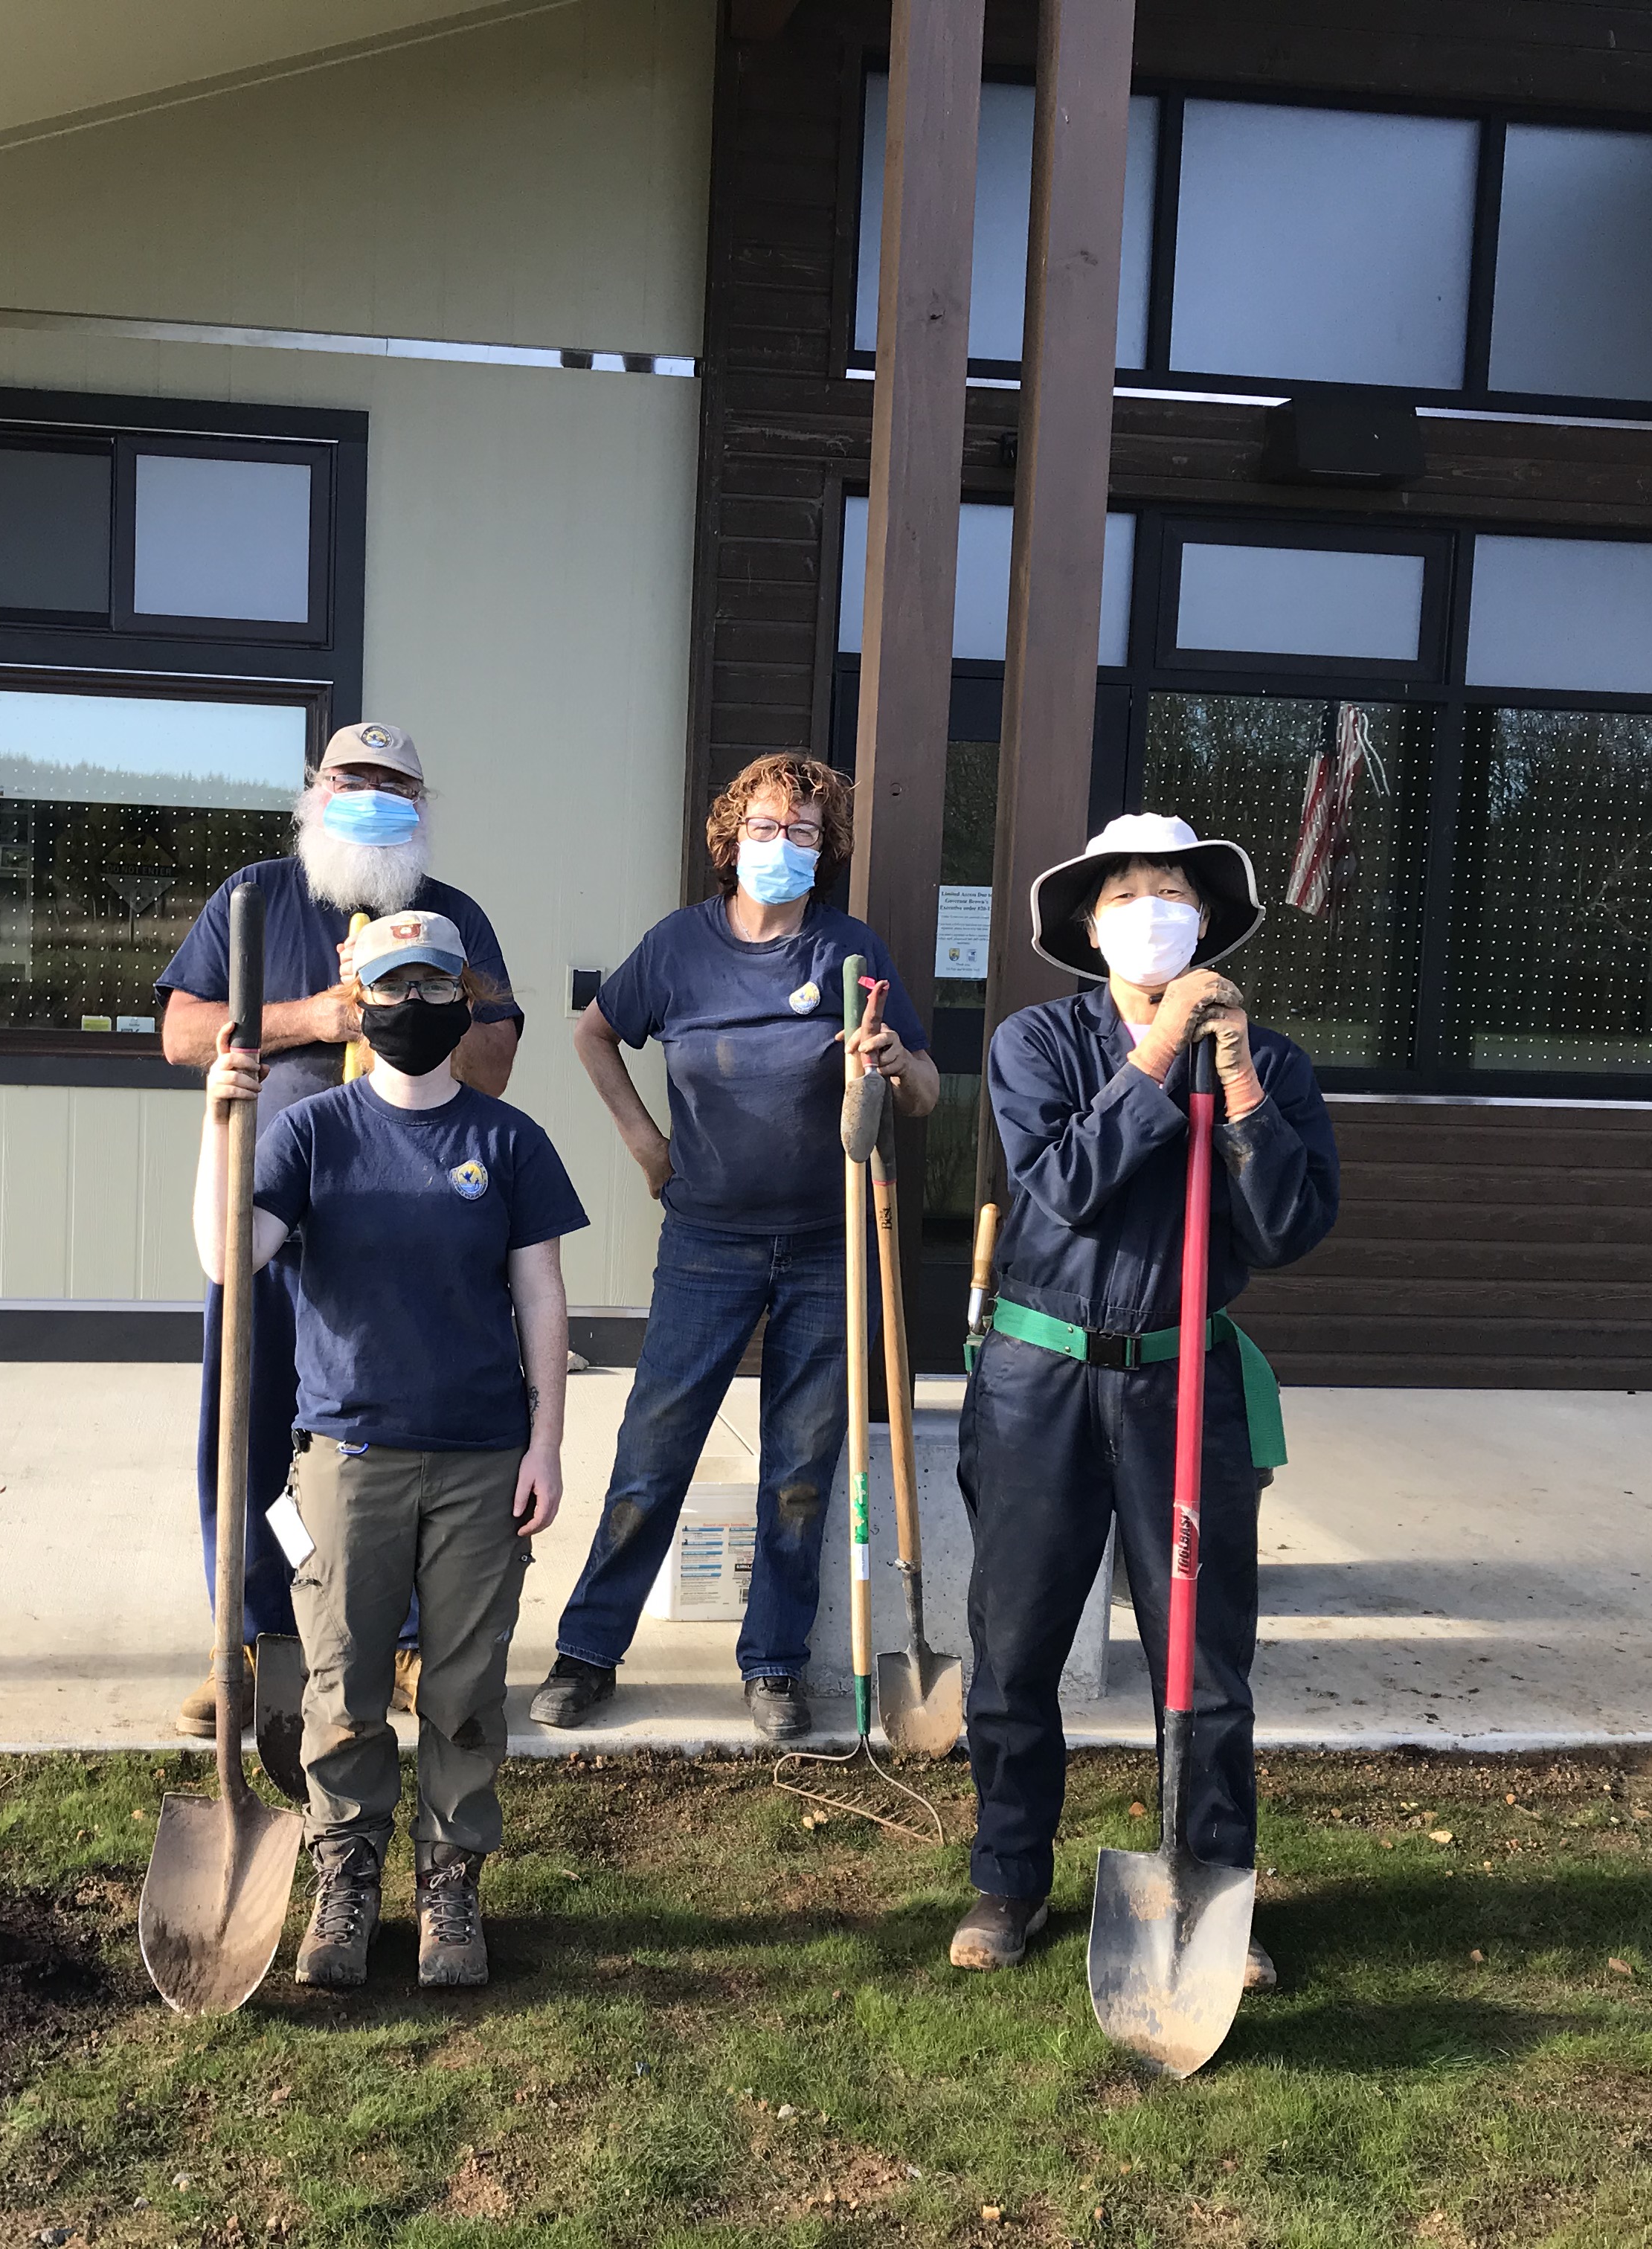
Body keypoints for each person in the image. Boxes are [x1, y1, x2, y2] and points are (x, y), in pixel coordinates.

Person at [946, 812, 1339, 1987]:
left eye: (1172, 893)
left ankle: (1209, 1887)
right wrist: (1163, 1047)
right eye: (1126, 895)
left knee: (1204, 1662)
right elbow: (1065, 1183)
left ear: (1205, 921)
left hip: (1184, 1381)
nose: (1150, 913)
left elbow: (1286, 1225)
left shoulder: (1270, 1061)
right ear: (1090, 923)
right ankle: (1008, 1879)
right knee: (1016, 1644)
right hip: (1038, 1381)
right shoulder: (1036, 1043)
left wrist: (1238, 1077)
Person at [193, 909, 587, 1989]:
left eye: (433, 986)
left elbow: (542, 1296)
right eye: (392, 987)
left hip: (481, 1458)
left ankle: (451, 1885)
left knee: (464, 1684)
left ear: (464, 999)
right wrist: (221, 1122)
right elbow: (228, 1258)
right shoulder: (311, 1132)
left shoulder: (509, 1143)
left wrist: (547, 1443)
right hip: (346, 1456)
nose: (413, 1006)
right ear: (358, 1004)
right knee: (342, 1679)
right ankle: (347, 1877)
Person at [530, 752, 936, 1742]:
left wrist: (893, 1060)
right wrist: (647, 1147)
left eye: (802, 832)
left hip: (830, 1247)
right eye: (764, 826)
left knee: (801, 1470)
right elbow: (593, 1034)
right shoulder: (679, 947)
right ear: (731, 837)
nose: (780, 844)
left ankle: (774, 1663)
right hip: (707, 1242)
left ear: (825, 849)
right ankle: (588, 1651)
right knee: (652, 1453)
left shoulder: (849, 951)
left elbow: (925, 1092)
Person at [157, 722, 523, 1735]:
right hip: (271, 1220)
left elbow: (495, 1065)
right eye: (351, 779)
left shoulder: (453, 918)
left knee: (387, 1444)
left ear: (423, 807)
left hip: (399, 1236)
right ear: (314, 792)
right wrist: (313, 1018)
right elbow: (182, 1032)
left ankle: (396, 1642)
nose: (371, 798)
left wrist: (413, 1009)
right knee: (254, 1433)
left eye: (395, 786)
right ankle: (251, 1642)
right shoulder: (257, 897)